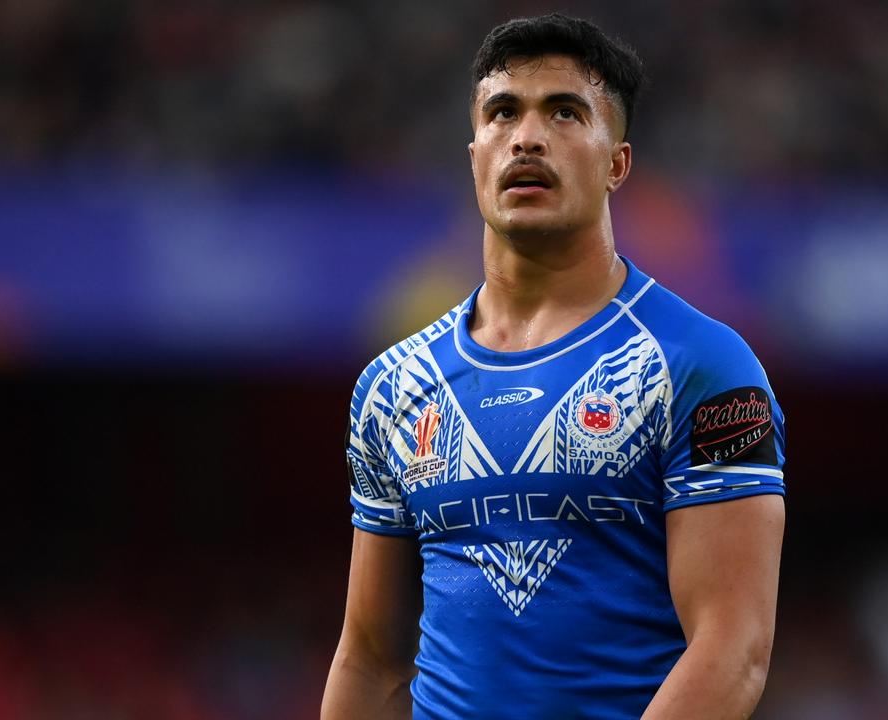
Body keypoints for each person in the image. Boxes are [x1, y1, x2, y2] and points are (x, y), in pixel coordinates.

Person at [322, 13, 785, 720]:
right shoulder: (394, 386)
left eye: (565, 113)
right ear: (474, 153)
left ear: (616, 164)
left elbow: (733, 650)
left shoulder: (701, 366)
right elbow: (370, 657)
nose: (527, 136)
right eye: (502, 113)